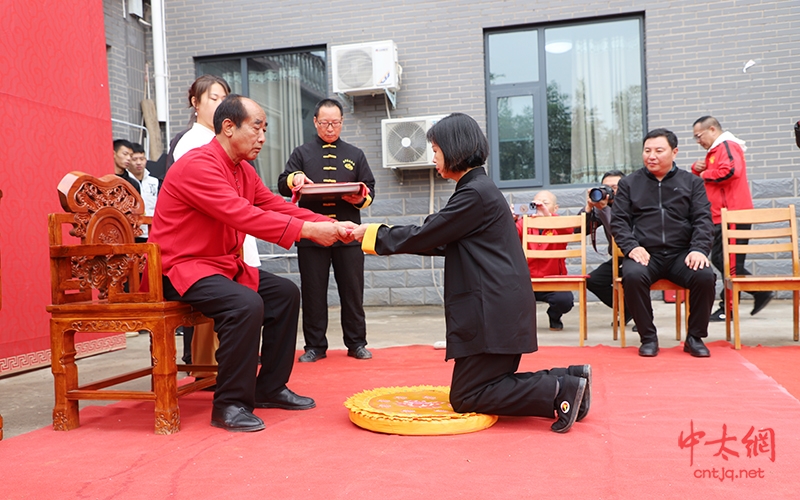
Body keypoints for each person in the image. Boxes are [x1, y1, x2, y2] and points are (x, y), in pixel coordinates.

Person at [352, 113, 590, 433]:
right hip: (496, 307)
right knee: (479, 388)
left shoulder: (474, 194)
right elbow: (441, 241)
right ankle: (571, 380)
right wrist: (374, 236)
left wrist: (370, 234)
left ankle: (559, 391)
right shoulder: (478, 190)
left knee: (468, 396)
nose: (433, 157)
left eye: (435, 150)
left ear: (454, 148)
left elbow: (427, 234)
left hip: (492, 310)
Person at [149, 95, 356, 432]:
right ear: (228, 127)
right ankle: (229, 403)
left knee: (285, 294)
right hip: (181, 268)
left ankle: (269, 388)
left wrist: (328, 224)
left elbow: (275, 206)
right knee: (245, 304)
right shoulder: (197, 165)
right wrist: (309, 231)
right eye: (257, 128)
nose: (263, 137)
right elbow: (243, 214)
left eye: (265, 129)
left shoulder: (242, 169)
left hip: (219, 266)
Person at [278, 99, 376, 363]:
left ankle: (356, 343)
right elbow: (282, 185)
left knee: (353, 292)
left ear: (342, 122)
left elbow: (369, 189)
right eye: (324, 123)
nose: (330, 128)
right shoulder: (302, 153)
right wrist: (295, 179)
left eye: (335, 123)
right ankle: (315, 346)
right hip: (312, 234)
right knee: (313, 292)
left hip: (348, 234)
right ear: (315, 122)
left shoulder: (355, 154)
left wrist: (360, 199)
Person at [611, 128, 716, 358]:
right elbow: (618, 222)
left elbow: (703, 220)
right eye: (647, 150)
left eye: (659, 150)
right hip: (646, 254)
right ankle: (648, 338)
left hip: (682, 254)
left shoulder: (691, 183)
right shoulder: (629, 184)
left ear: (674, 152)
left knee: (705, 275)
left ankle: (695, 337)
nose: (652, 156)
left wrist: (698, 249)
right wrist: (632, 247)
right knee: (632, 275)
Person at [691, 116, 773, 321]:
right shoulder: (716, 150)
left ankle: (729, 308)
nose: (698, 141)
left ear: (712, 129)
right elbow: (710, 178)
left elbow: (731, 171)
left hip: (734, 214)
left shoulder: (727, 145)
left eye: (698, 136)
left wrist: (704, 174)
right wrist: (697, 169)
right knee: (722, 260)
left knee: (730, 263)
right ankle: (758, 292)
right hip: (721, 216)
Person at [580, 170, 637, 330]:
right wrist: (589, 208)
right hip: (618, 258)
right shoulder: (601, 206)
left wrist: (604, 209)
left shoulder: (634, 204)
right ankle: (628, 308)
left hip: (637, 255)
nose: (610, 191)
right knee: (593, 280)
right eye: (606, 187)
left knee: (634, 276)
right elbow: (578, 230)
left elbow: (620, 229)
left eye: (615, 187)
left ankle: (643, 315)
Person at [515, 191, 574, 331]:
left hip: (553, 280)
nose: (540, 207)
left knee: (564, 301)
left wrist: (548, 217)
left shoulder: (559, 224)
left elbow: (569, 229)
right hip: (526, 280)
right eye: (536, 204)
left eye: (545, 204)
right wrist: (510, 219)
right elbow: (507, 235)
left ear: (555, 208)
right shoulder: (524, 223)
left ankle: (554, 316)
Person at [125, 142, 161, 242]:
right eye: (134, 159)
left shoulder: (155, 182)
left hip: (153, 230)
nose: (139, 163)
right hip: (133, 232)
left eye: (142, 159)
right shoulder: (125, 181)